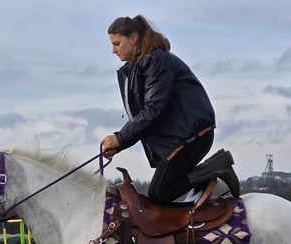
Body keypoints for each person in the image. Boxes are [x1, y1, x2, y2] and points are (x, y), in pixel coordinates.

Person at [101, 15, 240, 204]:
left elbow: (154, 109)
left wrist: (120, 138)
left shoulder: (156, 60)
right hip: (182, 137)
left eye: (117, 43)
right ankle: (213, 169)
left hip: (190, 136)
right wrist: (120, 143)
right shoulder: (139, 66)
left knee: (159, 194)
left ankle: (217, 166)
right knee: (160, 192)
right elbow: (145, 115)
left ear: (133, 38)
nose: (113, 50)